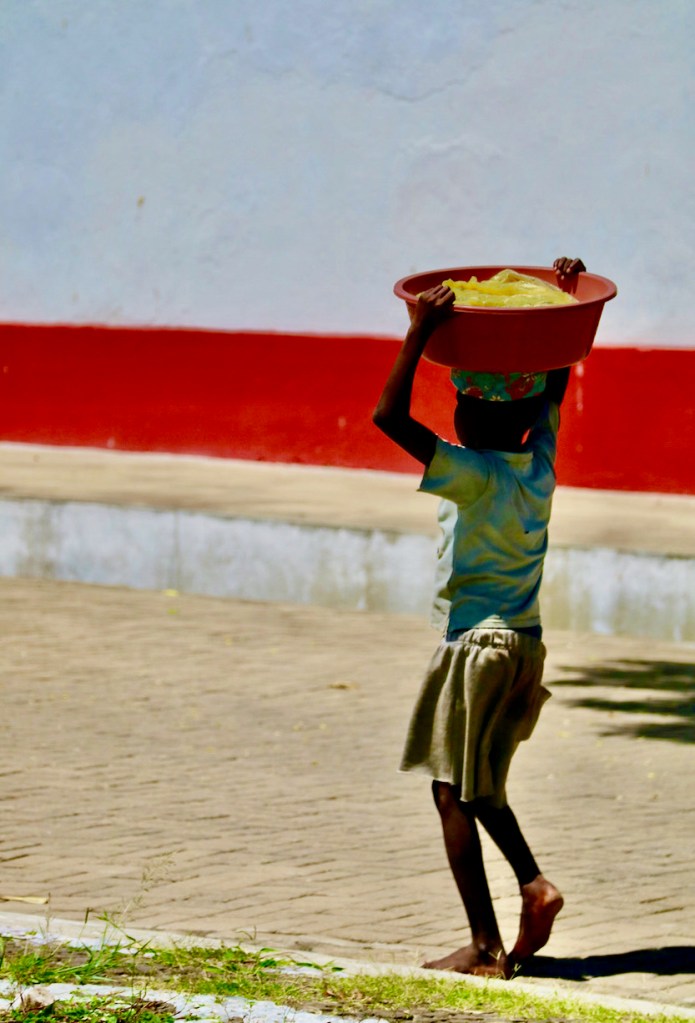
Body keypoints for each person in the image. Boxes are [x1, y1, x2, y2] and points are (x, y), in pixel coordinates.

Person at [372, 256, 586, 978]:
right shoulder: (538, 465)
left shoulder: (470, 473)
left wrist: (418, 332)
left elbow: (387, 418)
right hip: (523, 645)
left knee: (449, 792)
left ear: (467, 415)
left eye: (459, 401)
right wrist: (559, 304)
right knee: (482, 785)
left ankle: (486, 946)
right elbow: (556, 381)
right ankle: (535, 885)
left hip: (474, 646)